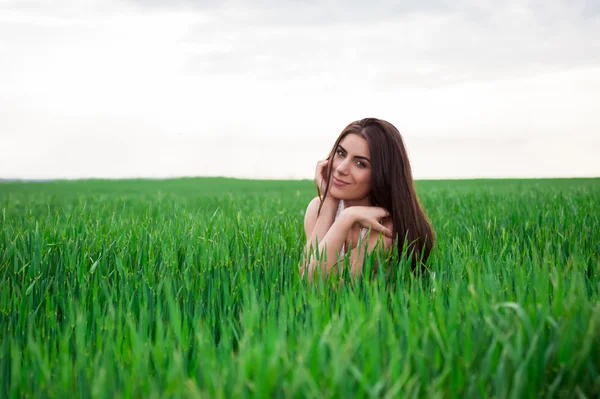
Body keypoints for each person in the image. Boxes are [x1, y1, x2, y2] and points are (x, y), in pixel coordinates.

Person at [299, 118, 435, 283]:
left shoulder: (386, 229)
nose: (341, 168)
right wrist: (329, 201)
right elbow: (304, 275)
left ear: (381, 175)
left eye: (360, 164)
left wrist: (346, 218)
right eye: (341, 153)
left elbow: (321, 286)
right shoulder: (317, 208)